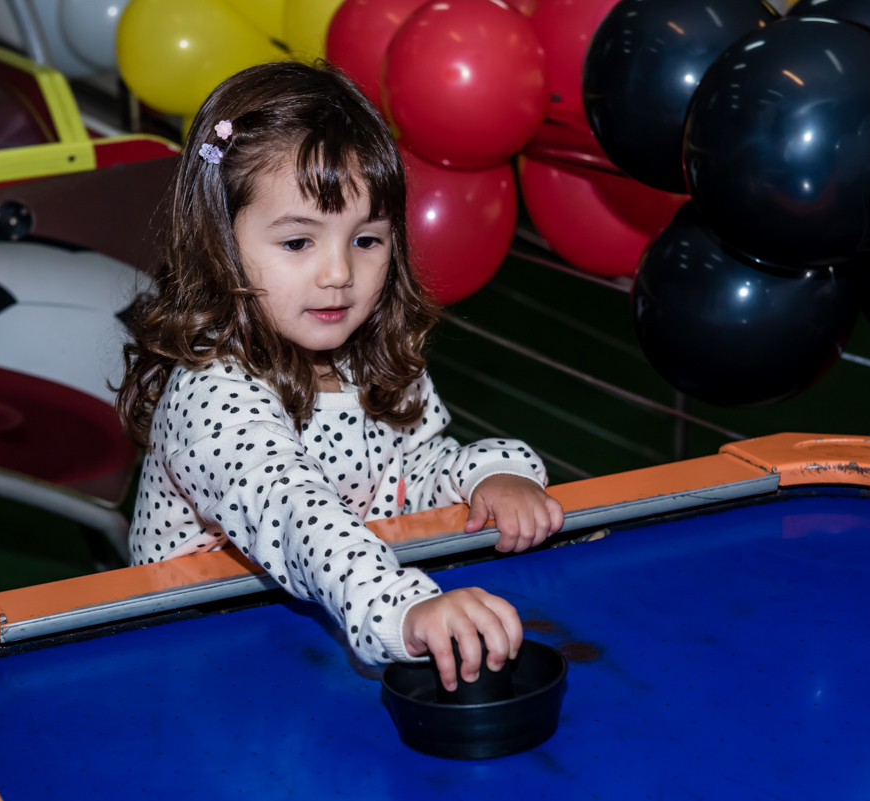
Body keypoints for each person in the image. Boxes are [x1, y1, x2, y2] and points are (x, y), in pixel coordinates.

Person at [117, 61, 564, 692]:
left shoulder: (365, 355)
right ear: (218, 243)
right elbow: (293, 512)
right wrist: (402, 607)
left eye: (367, 240)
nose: (339, 273)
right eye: (299, 242)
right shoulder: (210, 392)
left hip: (324, 632)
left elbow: (413, 473)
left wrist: (494, 473)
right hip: (201, 661)